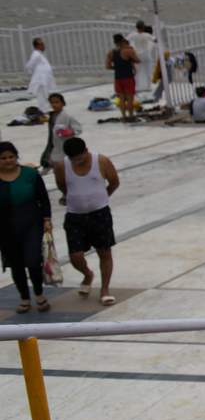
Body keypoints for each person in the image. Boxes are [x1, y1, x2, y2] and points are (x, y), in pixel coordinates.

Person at [54, 137, 120, 306]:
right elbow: (63, 186)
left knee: (104, 252)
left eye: (81, 157)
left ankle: (105, 289)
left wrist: (102, 197)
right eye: (74, 159)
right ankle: (87, 274)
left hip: (100, 214)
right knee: (75, 255)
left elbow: (114, 182)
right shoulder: (62, 166)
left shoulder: (101, 161)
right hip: (75, 216)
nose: (78, 161)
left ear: (86, 150)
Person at [0, 141, 53, 313]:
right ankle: (24, 297)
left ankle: (39, 294)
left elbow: (43, 197)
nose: (8, 161)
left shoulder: (30, 174)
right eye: (3, 158)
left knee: (32, 260)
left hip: (31, 221)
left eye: (11, 157)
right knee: (16, 264)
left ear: (16, 157)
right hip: (6, 227)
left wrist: (46, 218)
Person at [40, 93, 84, 170]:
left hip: (66, 144)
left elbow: (78, 129)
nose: (54, 105)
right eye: (52, 103)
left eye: (57, 102)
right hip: (54, 143)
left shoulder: (67, 116)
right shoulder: (52, 116)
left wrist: (70, 132)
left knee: (66, 164)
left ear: (63, 103)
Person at [106, 35, 140, 122]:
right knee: (130, 98)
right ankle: (131, 116)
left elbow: (107, 66)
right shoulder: (128, 51)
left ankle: (124, 116)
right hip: (128, 77)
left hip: (118, 78)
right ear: (123, 41)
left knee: (121, 99)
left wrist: (116, 67)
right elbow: (137, 60)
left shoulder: (111, 53)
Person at [24, 38, 54, 108]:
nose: (44, 46)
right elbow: (29, 65)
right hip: (40, 79)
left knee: (45, 94)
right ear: (37, 46)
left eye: (43, 44)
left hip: (44, 78)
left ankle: (46, 108)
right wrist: (35, 74)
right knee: (42, 95)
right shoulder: (36, 54)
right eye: (42, 45)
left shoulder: (40, 54)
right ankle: (43, 109)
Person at [130, 22, 156, 96]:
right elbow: (155, 40)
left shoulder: (133, 34)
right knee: (148, 71)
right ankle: (148, 86)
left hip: (137, 55)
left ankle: (137, 87)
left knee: (137, 72)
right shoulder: (147, 35)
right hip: (146, 55)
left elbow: (126, 40)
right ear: (143, 27)